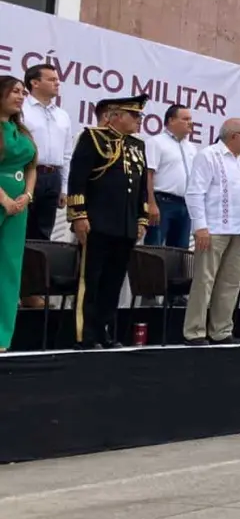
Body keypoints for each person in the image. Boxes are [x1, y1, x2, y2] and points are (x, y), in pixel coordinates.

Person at [66, 94, 150, 349]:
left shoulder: (137, 145)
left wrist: (142, 218)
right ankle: (84, 335)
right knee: (91, 280)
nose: (138, 120)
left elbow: (140, 186)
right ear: (115, 116)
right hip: (97, 223)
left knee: (113, 282)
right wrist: (79, 215)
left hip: (124, 226)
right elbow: (77, 178)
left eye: (139, 116)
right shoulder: (93, 138)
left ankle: (104, 331)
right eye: (133, 115)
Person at [183, 119, 240, 345]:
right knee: (205, 280)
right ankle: (194, 331)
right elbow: (195, 193)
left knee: (231, 282)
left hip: (239, 230)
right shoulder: (209, 155)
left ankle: (221, 330)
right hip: (214, 229)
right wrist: (200, 226)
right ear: (233, 135)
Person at [0, 76, 37, 352]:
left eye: (22, 92)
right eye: (14, 91)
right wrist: (5, 200)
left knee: (10, 268)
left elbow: (31, 167)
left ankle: (2, 338)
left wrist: (27, 195)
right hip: (3, 200)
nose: (20, 96)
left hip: (18, 207)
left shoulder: (22, 131)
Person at [21, 63, 73, 242]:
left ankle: (35, 270)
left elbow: (67, 155)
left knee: (44, 233)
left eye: (58, 80)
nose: (57, 83)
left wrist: (64, 188)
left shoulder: (62, 115)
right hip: (26, 172)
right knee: (21, 228)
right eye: (51, 79)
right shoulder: (21, 110)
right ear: (34, 83)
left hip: (53, 177)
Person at [145, 104, 197, 249]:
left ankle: (174, 274)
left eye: (190, 119)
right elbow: (148, 174)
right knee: (155, 248)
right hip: (162, 202)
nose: (190, 122)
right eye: (185, 119)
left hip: (185, 205)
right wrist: (151, 203)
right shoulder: (156, 142)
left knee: (180, 252)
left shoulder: (191, 148)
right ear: (171, 120)